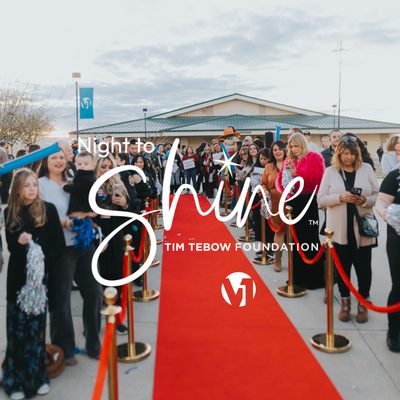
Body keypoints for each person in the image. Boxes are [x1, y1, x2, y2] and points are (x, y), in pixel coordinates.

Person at [3, 169, 65, 399]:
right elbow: (11, 246)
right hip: (18, 281)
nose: (31, 189)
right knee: (16, 332)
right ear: (18, 189)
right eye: (26, 186)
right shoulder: (10, 212)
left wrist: (41, 259)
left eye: (34, 185)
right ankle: (15, 381)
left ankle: (37, 376)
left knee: (37, 331)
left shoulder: (49, 209)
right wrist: (21, 244)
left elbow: (58, 245)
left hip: (41, 281)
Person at [38, 151, 103, 365]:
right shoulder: (40, 185)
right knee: (61, 300)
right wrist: (65, 223)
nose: (58, 160)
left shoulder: (74, 179)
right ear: (45, 161)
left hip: (83, 243)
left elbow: (90, 205)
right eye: (53, 157)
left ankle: (93, 344)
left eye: (61, 157)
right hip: (61, 249)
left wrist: (90, 212)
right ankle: (64, 349)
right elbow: (39, 216)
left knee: (94, 293)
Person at [318, 137, 379, 323]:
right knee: (342, 268)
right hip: (338, 230)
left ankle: (363, 302)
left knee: (363, 268)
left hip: (362, 229)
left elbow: (378, 196)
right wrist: (339, 197)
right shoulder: (330, 172)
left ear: (357, 154)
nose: (349, 157)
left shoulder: (366, 169)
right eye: (345, 153)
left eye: (352, 153)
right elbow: (321, 199)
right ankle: (345, 302)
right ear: (339, 154)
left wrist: (365, 201)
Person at [276, 133, 325, 290]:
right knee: (294, 241)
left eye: (295, 146)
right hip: (293, 202)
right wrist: (285, 179)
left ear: (302, 144)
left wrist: (298, 174)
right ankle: (297, 277)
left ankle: (313, 278)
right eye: (291, 147)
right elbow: (280, 181)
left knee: (309, 239)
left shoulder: (314, 157)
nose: (293, 149)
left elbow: (318, 179)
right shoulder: (289, 160)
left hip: (308, 202)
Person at [376, 168, 400, 352]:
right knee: (398, 286)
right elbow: (382, 201)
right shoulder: (395, 176)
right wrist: (386, 213)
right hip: (397, 238)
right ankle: (394, 332)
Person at [261, 140, 288, 272]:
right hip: (275, 202)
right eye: (275, 149)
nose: (277, 152)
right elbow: (263, 184)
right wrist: (265, 191)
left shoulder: (291, 164)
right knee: (278, 232)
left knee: (292, 234)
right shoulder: (268, 166)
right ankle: (278, 260)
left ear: (285, 150)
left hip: (290, 202)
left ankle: (294, 262)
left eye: (280, 149)